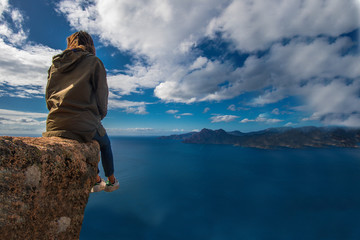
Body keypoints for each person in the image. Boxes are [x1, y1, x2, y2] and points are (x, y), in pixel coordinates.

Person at [43, 31, 119, 193]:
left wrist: (59, 112)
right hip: (85, 123)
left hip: (54, 124)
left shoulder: (55, 65)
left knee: (87, 137)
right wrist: (99, 116)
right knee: (105, 143)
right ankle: (111, 181)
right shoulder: (94, 62)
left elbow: (48, 97)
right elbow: (101, 96)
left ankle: (97, 180)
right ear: (90, 45)